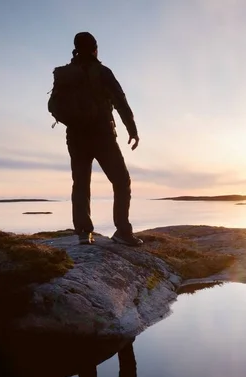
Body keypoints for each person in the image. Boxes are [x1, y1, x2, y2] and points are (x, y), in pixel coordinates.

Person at [54, 32, 143, 246]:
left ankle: (84, 233)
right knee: (121, 181)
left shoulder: (64, 74)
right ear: (95, 49)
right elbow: (120, 102)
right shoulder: (102, 72)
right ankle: (122, 231)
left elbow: (53, 105)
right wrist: (132, 130)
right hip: (102, 135)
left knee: (81, 183)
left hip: (75, 136)